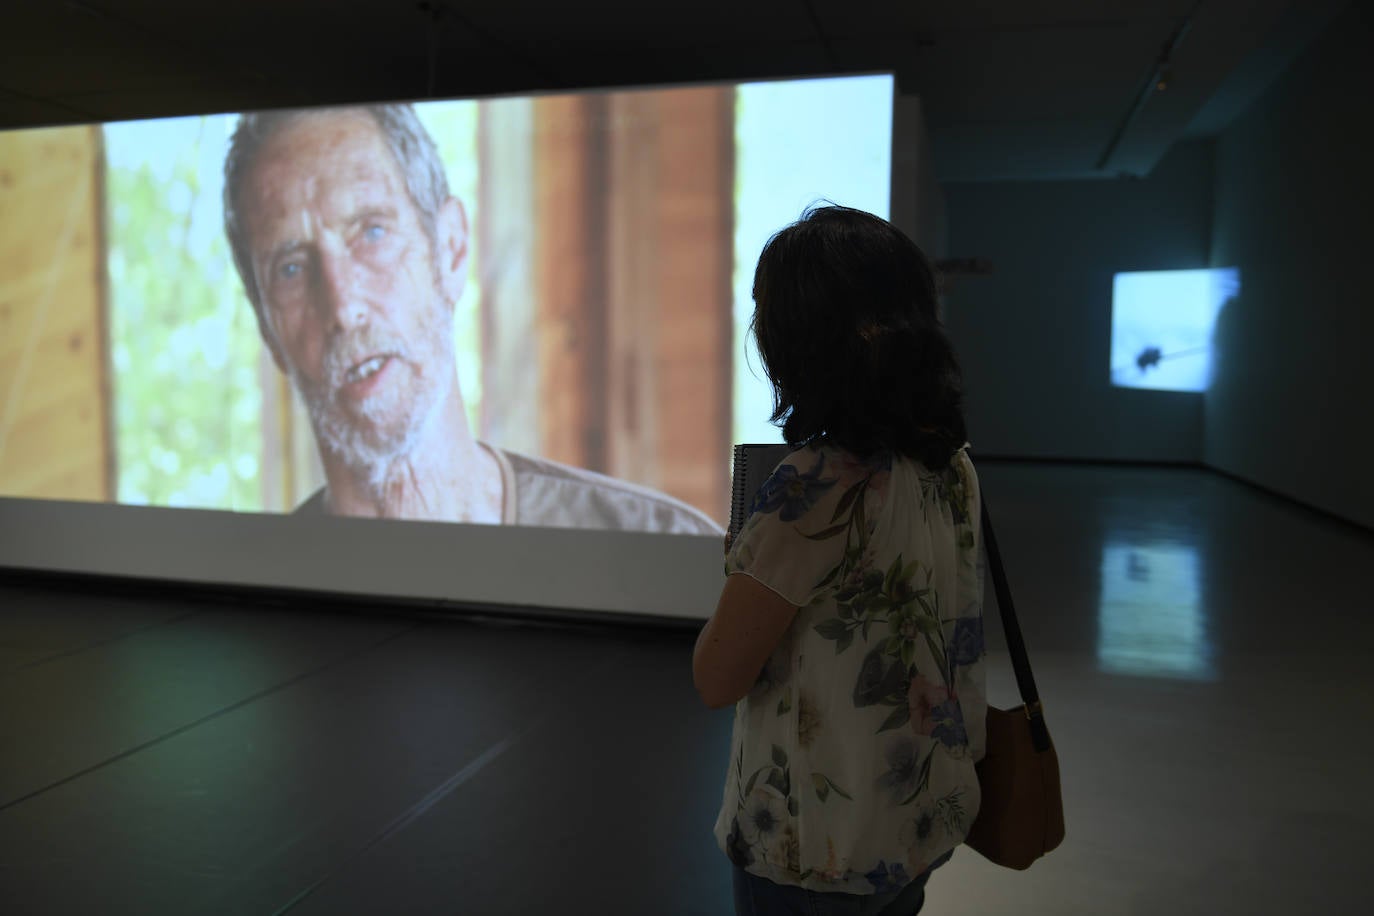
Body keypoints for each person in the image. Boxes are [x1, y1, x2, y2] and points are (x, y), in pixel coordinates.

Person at [221, 103, 719, 534]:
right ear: (267, 328)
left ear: (451, 250)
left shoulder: (664, 547)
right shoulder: (253, 596)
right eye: (290, 268)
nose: (344, 306)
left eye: (371, 233)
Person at [692, 205, 986, 914]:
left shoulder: (813, 487)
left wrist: (747, 567)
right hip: (911, 822)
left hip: (813, 850)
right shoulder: (951, 464)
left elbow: (717, 676)